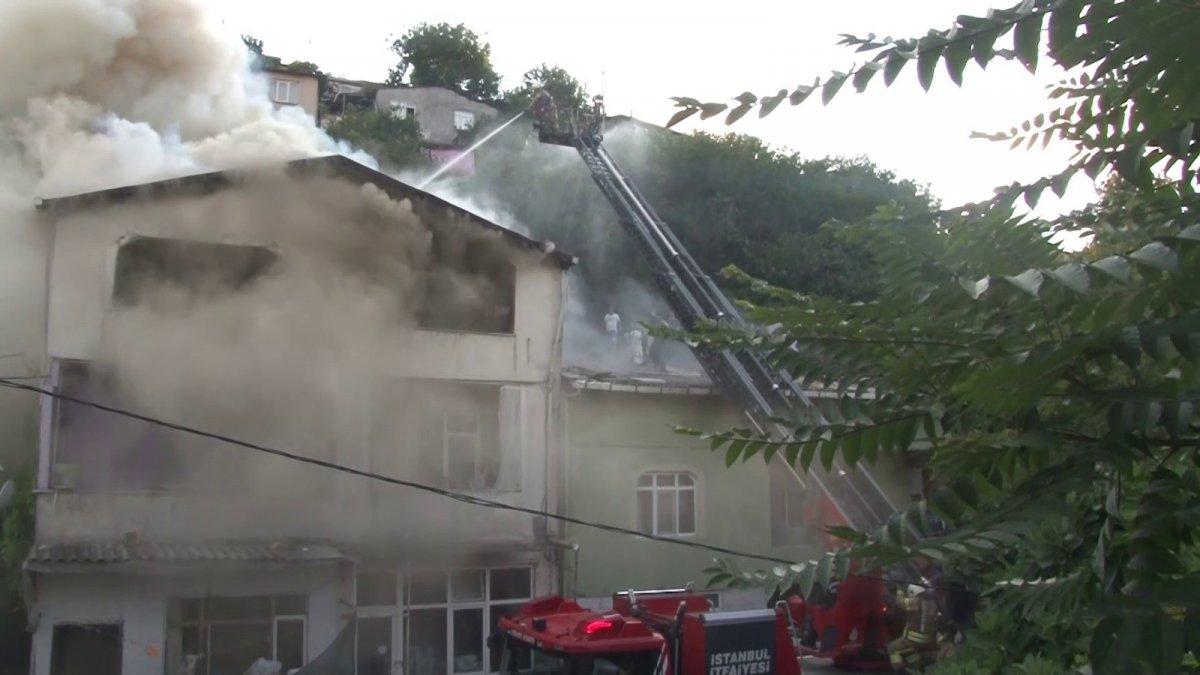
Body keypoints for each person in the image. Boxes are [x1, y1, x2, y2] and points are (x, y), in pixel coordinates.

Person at [887, 582, 939, 672]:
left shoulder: (916, 601)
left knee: (892, 648)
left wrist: (899, 590)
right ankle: (919, 668)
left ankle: (901, 671)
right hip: (928, 638)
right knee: (910, 650)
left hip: (914, 637)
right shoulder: (932, 602)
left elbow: (900, 604)